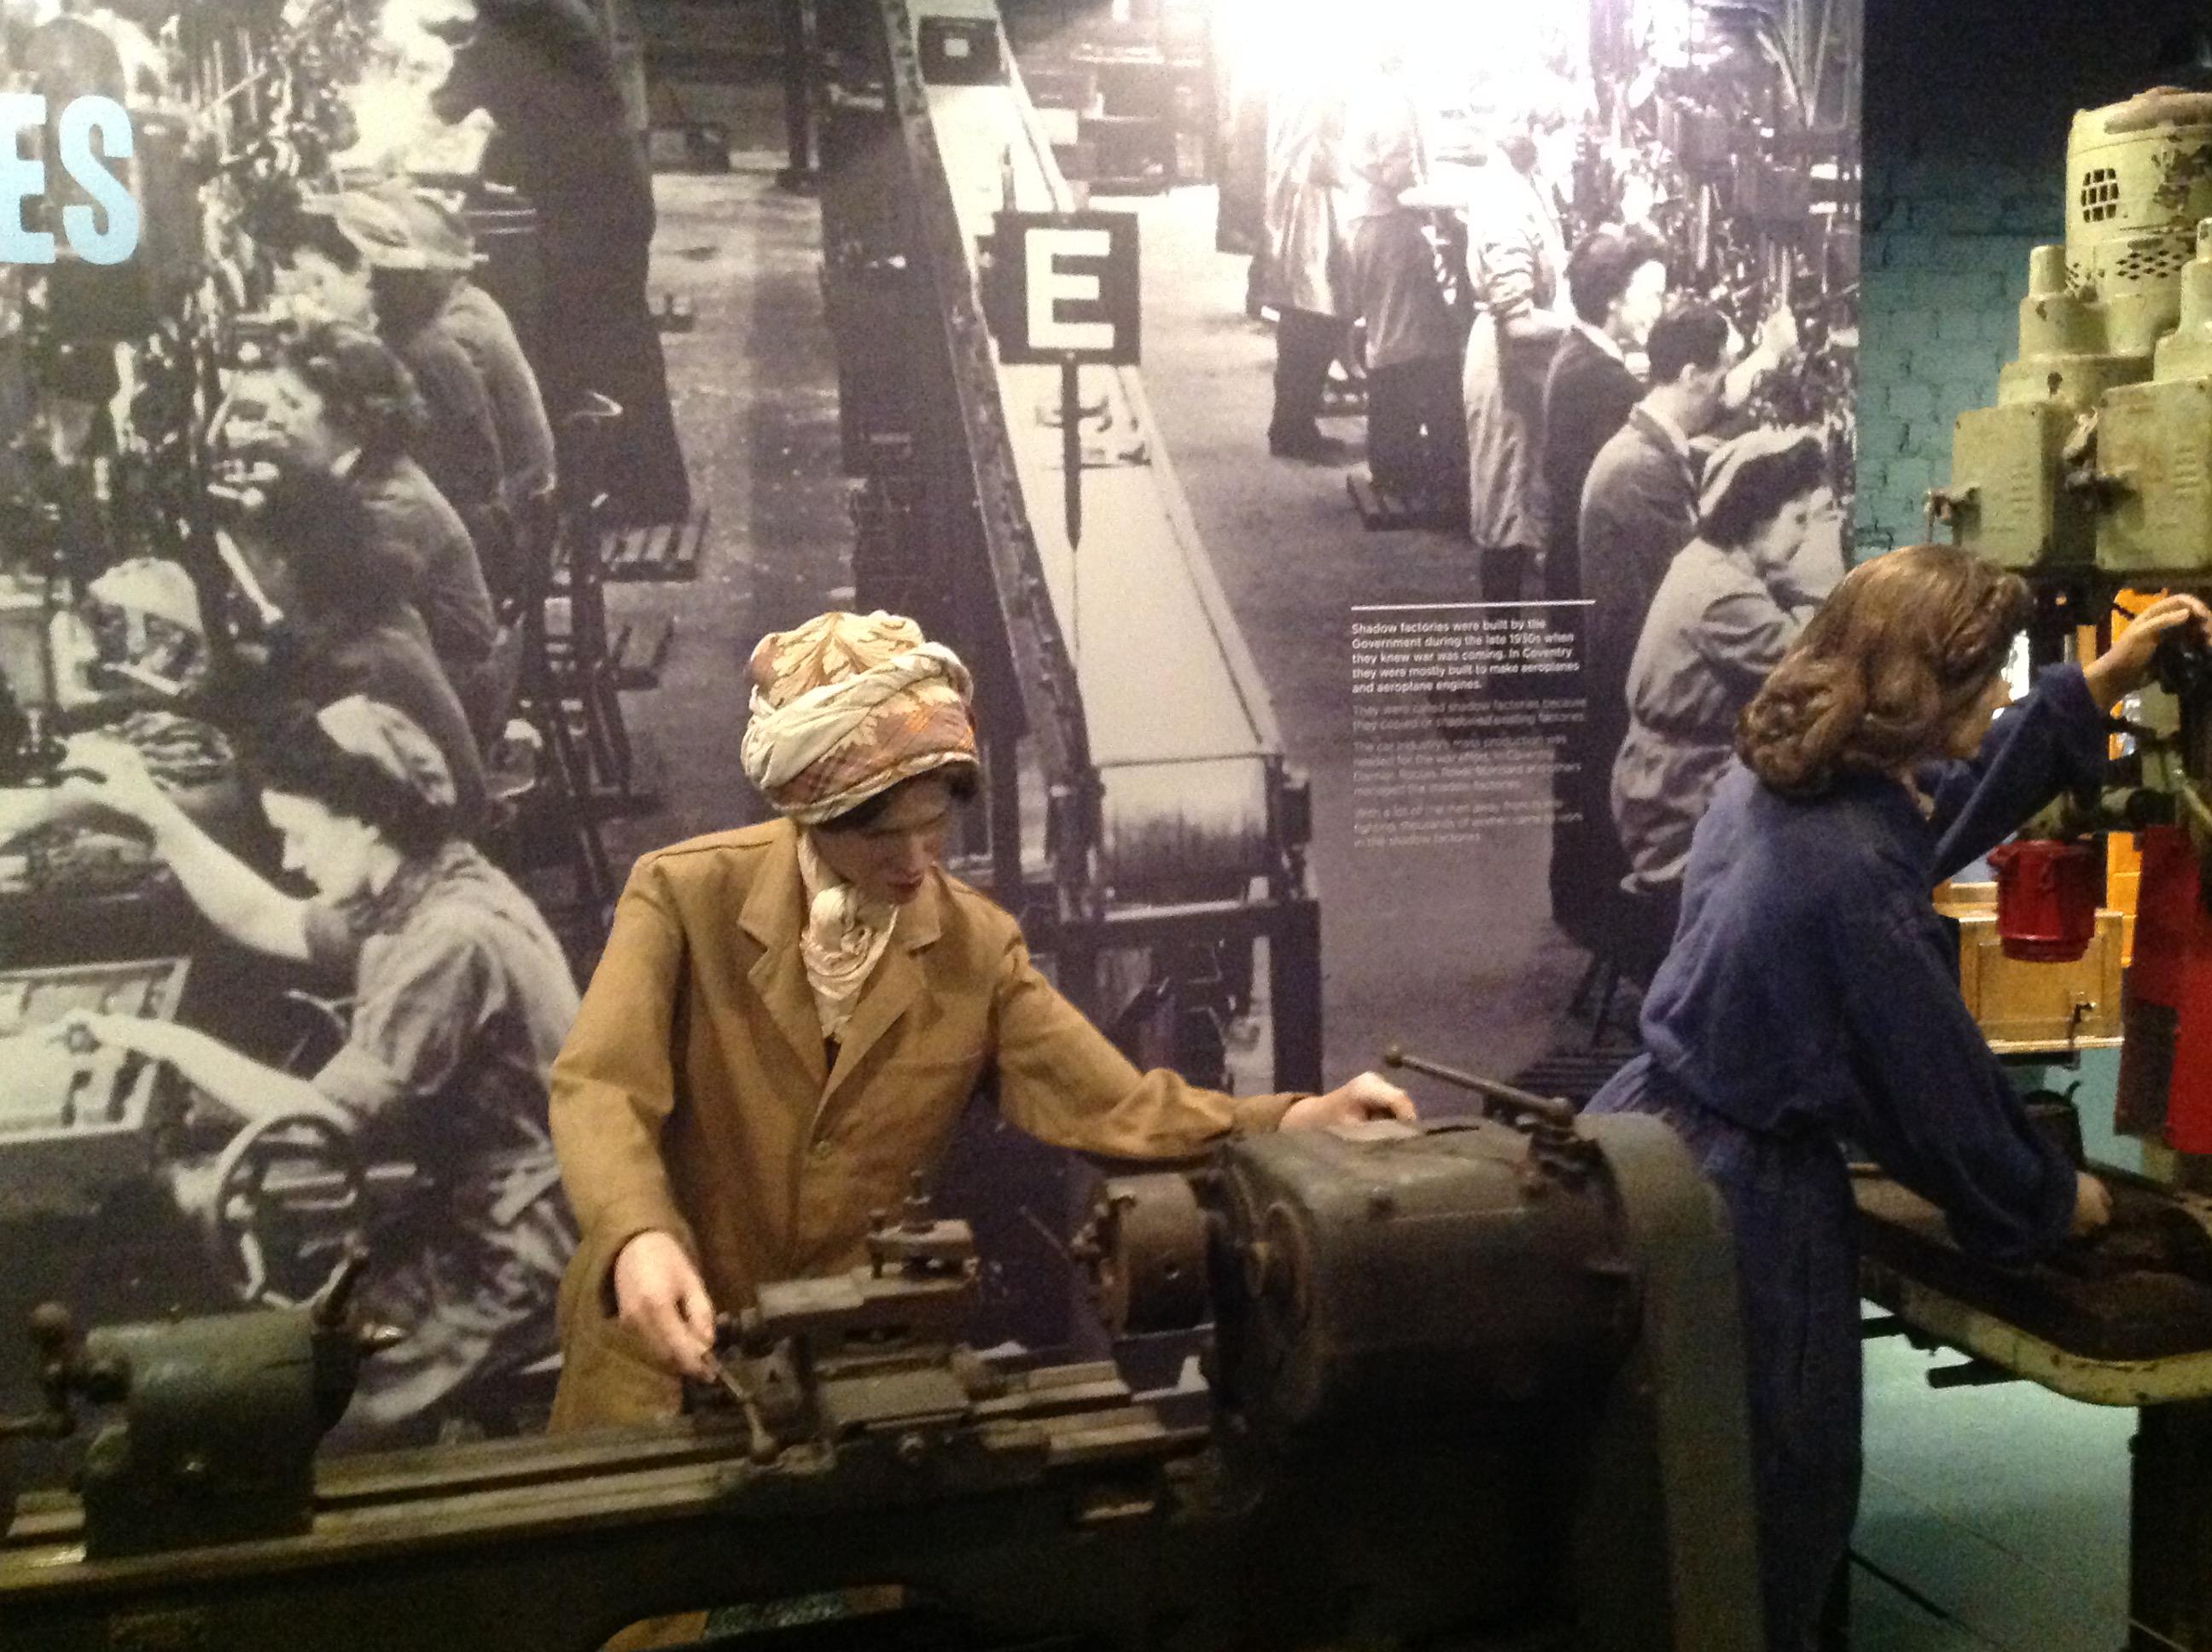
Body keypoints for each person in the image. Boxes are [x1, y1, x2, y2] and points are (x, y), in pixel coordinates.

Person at [548, 610, 1417, 1427]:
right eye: (883, 838)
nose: (916, 861)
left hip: (842, 1378)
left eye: (933, 828)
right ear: (809, 813)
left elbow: (1114, 1107)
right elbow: (600, 1088)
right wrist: (638, 1234)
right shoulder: (684, 897)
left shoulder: (973, 948)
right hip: (658, 1362)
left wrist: (1296, 1121)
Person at [1583, 549, 2212, 1651]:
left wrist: (2091, 687)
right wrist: (2054, 1200)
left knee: (1667, 1500)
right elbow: (1944, 1111)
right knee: (1768, 1505)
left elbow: (1929, 821)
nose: (2003, 692)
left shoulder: (1781, 781)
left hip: (1645, 1141)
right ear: (1926, 690)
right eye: (1992, 677)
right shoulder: (1855, 882)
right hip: (1746, 1208)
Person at [51, 695, 580, 1437]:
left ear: (365, 821)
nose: (291, 860)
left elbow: (317, 1126)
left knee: (288, 1404)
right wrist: (157, 816)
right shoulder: (428, 882)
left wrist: (164, 1041)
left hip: (518, 1254)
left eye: (298, 836)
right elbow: (263, 917)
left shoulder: (449, 941)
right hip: (487, 1206)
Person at [428, 0, 690, 526]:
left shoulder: (518, 22)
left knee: (600, 346)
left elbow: (449, 102)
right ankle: (642, 489)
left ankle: (635, 495)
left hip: (592, 206)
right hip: (604, 191)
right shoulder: (538, 13)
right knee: (618, 341)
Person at [1610, 429, 1840, 948]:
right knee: (1832, 858)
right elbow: (1823, 666)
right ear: (1758, 515)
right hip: (1678, 806)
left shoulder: (1705, 561)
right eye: (1798, 519)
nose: (1804, 536)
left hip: (1666, 783)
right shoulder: (1724, 596)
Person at [1551, 303, 1732, 952]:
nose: (1725, 389)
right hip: (1630, 674)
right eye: (1723, 373)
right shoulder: (1641, 470)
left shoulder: (1644, 449)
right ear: (1692, 375)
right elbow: (1692, 586)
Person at [236, 321, 505, 746]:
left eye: (291, 403)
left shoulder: (391, 506)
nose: (272, 417)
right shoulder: (367, 476)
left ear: (349, 416)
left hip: (452, 695)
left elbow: (322, 624)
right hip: (423, 674)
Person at [272, 196, 512, 598]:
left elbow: (394, 500)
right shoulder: (410, 337)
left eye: (319, 284)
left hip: (466, 554)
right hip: (460, 530)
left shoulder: (408, 359)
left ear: (364, 275)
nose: (313, 304)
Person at [1342, 54, 1463, 509]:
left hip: (1371, 223)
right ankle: (1398, 467)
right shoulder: (1392, 99)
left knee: (1391, 342)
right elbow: (1399, 176)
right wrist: (1444, 202)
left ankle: (1394, 463)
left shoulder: (1373, 90)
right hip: (1388, 225)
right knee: (1404, 348)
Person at [1460, 128, 1566, 602]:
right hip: (1509, 371)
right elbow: (1518, 322)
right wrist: (1585, 332)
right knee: (1507, 515)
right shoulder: (1506, 200)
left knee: (1519, 511)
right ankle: (1504, 647)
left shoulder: (1523, 182)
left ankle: (1508, 643)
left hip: (1522, 365)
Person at [1540, 229, 1668, 606]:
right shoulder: (1600, 377)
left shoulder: (1578, 348)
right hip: (1590, 576)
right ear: (1614, 300)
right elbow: (1666, 432)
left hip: (1571, 560)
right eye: (1653, 296)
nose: (1660, 309)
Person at [1260, 70, 1352, 462]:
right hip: (1311, 206)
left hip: (1303, 202)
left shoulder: (1301, 80)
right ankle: (1292, 428)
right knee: (1312, 322)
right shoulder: (1318, 84)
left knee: (1306, 321)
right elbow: (1326, 158)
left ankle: (1293, 425)